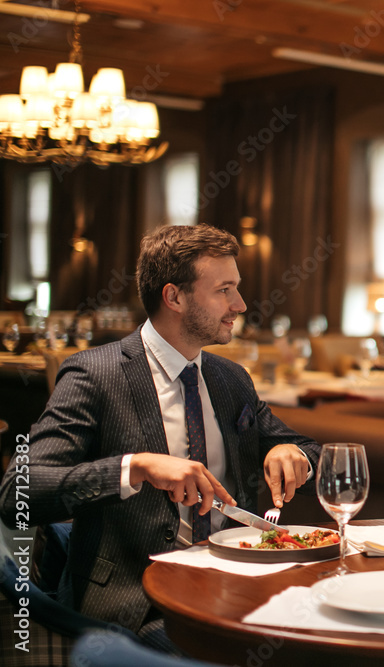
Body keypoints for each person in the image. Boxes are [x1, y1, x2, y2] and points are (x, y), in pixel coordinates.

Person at [0, 225, 320, 644]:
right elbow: (18, 494)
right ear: (174, 297)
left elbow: (304, 447)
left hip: (239, 589)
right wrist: (135, 467)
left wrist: (290, 453)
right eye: (224, 290)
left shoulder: (231, 379)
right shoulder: (95, 375)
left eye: (236, 289)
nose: (240, 305)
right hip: (137, 604)